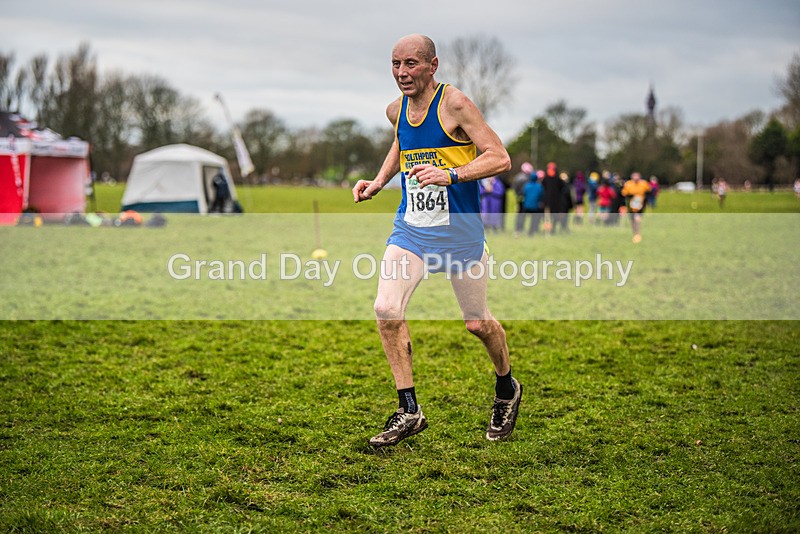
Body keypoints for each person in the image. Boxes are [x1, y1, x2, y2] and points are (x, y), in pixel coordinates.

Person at [352, 34, 521, 447]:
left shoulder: (456, 104)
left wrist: (450, 174)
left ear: (432, 65)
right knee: (385, 309)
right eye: (395, 64)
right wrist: (378, 181)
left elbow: (500, 156)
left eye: (411, 64)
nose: (402, 73)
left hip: (459, 232)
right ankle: (409, 409)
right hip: (411, 228)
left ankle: (506, 387)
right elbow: (402, 144)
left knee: (477, 323)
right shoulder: (396, 110)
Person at [621, 171, 652, 243]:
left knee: (637, 218)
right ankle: (635, 233)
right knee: (632, 220)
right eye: (634, 177)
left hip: (640, 204)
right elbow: (624, 193)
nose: (636, 178)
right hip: (631, 204)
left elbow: (649, 191)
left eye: (637, 177)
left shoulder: (644, 184)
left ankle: (638, 234)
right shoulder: (628, 184)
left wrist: (647, 201)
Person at [513, 162, 534, 236]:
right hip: (525, 199)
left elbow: (514, 188)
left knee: (520, 214)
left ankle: (518, 229)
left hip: (520, 198)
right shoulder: (527, 178)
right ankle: (519, 229)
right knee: (522, 214)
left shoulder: (517, 177)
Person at [521, 170, 544, 235]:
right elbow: (541, 195)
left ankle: (520, 229)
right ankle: (532, 231)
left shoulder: (527, 185)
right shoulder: (539, 186)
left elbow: (523, 193)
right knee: (534, 219)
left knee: (523, 217)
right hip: (535, 206)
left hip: (526, 205)